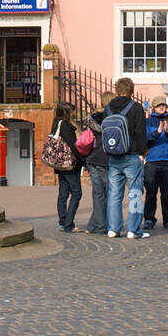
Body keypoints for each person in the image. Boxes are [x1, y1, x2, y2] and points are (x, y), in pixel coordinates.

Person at [103, 77, 149, 239]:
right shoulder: (136, 108)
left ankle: (113, 229)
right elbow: (141, 132)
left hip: (113, 156)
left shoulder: (108, 108)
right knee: (135, 192)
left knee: (114, 194)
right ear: (131, 90)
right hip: (131, 156)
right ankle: (133, 229)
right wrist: (142, 152)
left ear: (116, 89)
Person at [141, 99, 168, 231]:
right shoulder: (148, 122)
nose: (162, 108)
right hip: (152, 161)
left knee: (167, 194)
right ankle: (149, 219)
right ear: (154, 107)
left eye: (163, 105)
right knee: (151, 193)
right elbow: (145, 140)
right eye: (159, 106)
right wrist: (157, 133)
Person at [83, 91, 113, 233]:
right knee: (108, 195)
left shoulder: (93, 118)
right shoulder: (112, 118)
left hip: (93, 158)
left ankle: (93, 225)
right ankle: (101, 226)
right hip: (106, 158)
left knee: (98, 195)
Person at [51, 103, 82, 232]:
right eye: (72, 112)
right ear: (67, 113)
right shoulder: (64, 125)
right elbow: (73, 146)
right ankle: (68, 223)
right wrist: (81, 161)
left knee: (63, 193)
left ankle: (63, 221)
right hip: (69, 164)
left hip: (60, 164)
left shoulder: (56, 123)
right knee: (76, 193)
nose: (73, 115)